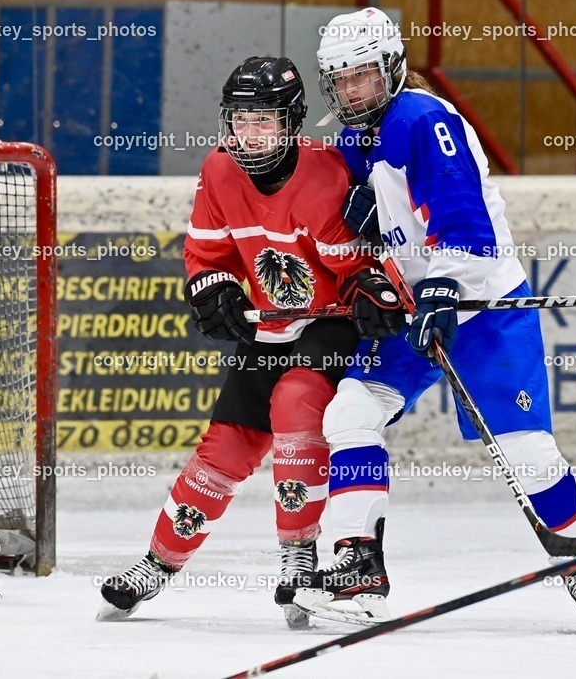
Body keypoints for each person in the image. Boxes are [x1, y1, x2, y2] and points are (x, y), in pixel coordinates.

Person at [293, 7, 576, 628]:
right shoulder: (355, 139)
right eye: (342, 79)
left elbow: (463, 219)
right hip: (416, 307)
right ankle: (359, 570)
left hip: (481, 305)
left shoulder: (422, 118)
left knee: (526, 450)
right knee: (352, 412)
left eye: (363, 75)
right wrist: (371, 269)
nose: (352, 90)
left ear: (391, 68)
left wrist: (443, 287)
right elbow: (373, 231)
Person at [96, 56, 402, 628]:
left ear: (291, 122)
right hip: (270, 326)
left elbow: (358, 266)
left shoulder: (327, 171)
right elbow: (207, 255)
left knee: (296, 405)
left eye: (264, 121)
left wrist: (369, 286)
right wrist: (213, 289)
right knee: (226, 447)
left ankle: (299, 554)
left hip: (329, 324)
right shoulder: (218, 170)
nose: (250, 134)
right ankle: (158, 562)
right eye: (240, 120)